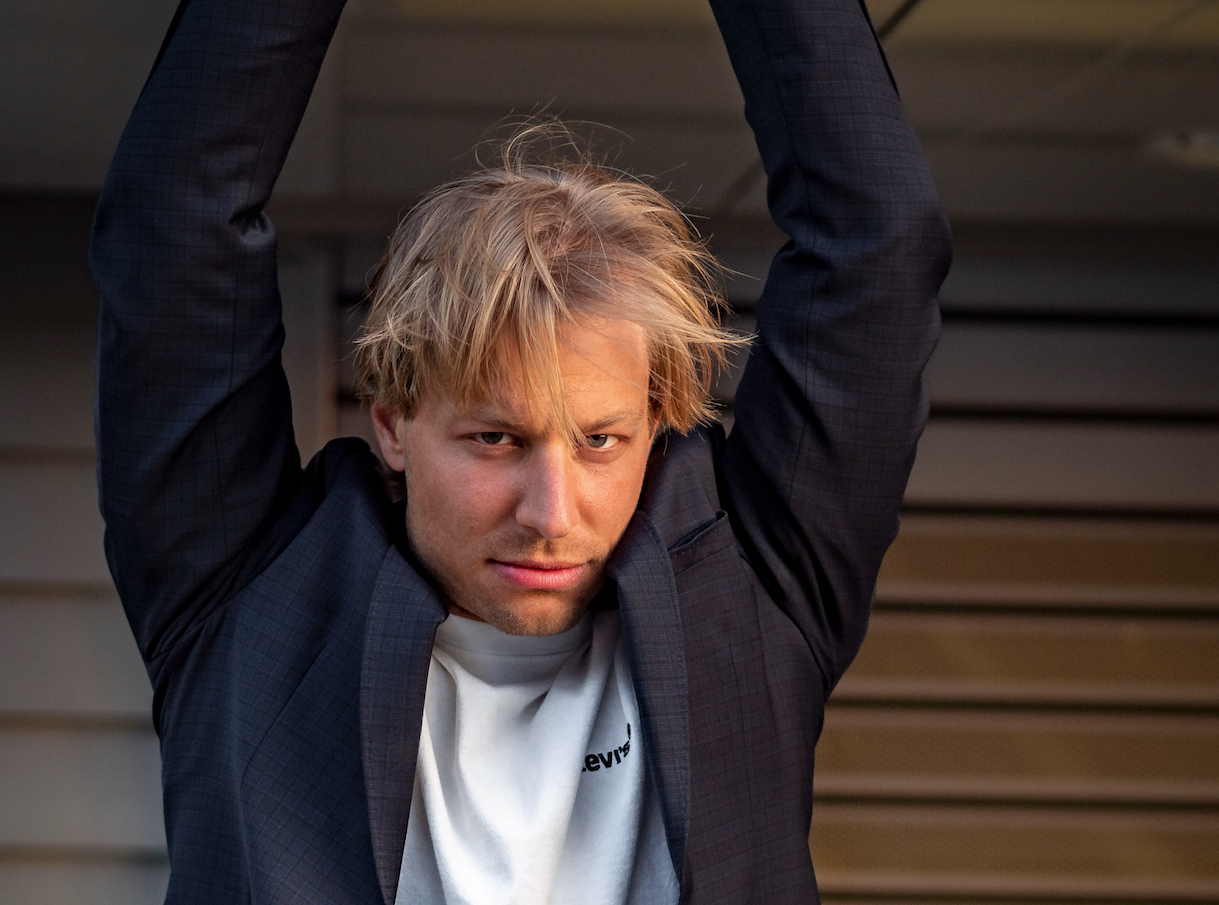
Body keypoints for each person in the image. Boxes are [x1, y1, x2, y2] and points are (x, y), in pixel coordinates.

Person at [90, 0, 950, 901]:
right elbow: (175, 226)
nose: (551, 512)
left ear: (656, 422)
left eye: (600, 440)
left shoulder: (754, 591)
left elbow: (879, 248)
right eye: (495, 439)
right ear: (392, 420)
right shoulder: (249, 592)